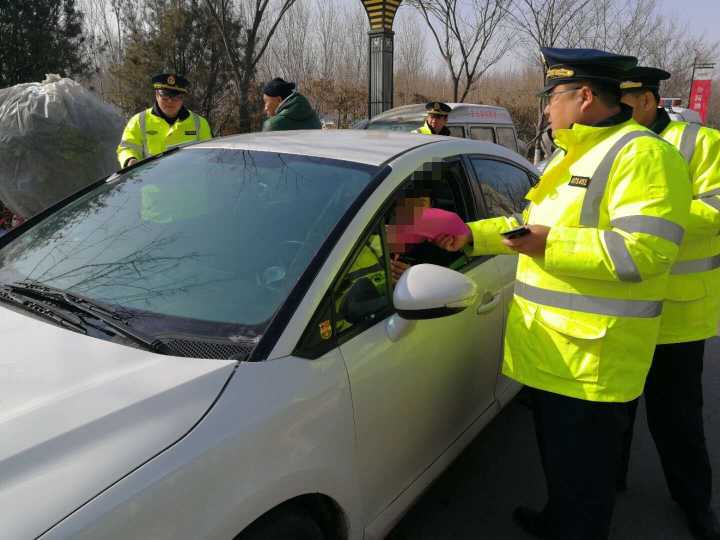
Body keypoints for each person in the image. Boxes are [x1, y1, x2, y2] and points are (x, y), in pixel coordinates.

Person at [435, 48, 691, 540]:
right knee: (561, 469)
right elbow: (528, 226)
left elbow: (645, 253)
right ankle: (556, 520)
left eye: (552, 98)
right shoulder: (571, 153)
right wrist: (473, 235)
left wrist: (549, 243)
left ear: (586, 96)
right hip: (552, 353)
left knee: (587, 486)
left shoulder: (643, 155)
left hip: (593, 363)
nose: (547, 110)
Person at [617, 66, 720, 540]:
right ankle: (606, 486)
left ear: (646, 101)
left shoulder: (699, 144)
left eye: (622, 101)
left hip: (678, 313)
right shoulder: (613, 145)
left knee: (677, 418)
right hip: (615, 307)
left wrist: (653, 219)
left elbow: (716, 208)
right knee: (612, 410)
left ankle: (695, 503)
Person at [116, 73, 212, 168]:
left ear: (182, 98)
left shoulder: (199, 123)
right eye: (165, 96)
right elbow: (127, 147)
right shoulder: (138, 121)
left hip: (188, 181)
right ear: (156, 95)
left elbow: (209, 154)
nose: (170, 101)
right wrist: (130, 159)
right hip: (151, 181)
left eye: (175, 97)